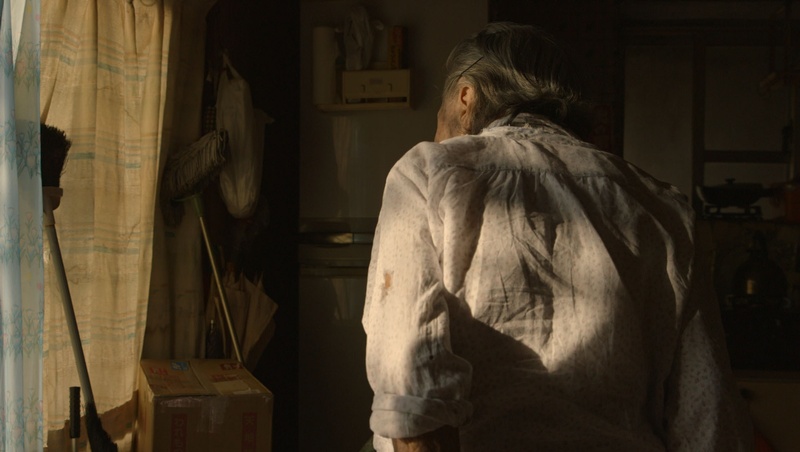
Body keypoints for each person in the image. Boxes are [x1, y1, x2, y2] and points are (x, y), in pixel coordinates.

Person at [361, 22, 754, 452]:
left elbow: (414, 404)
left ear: (466, 97)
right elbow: (709, 421)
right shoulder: (663, 207)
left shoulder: (427, 174)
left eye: (439, 111)